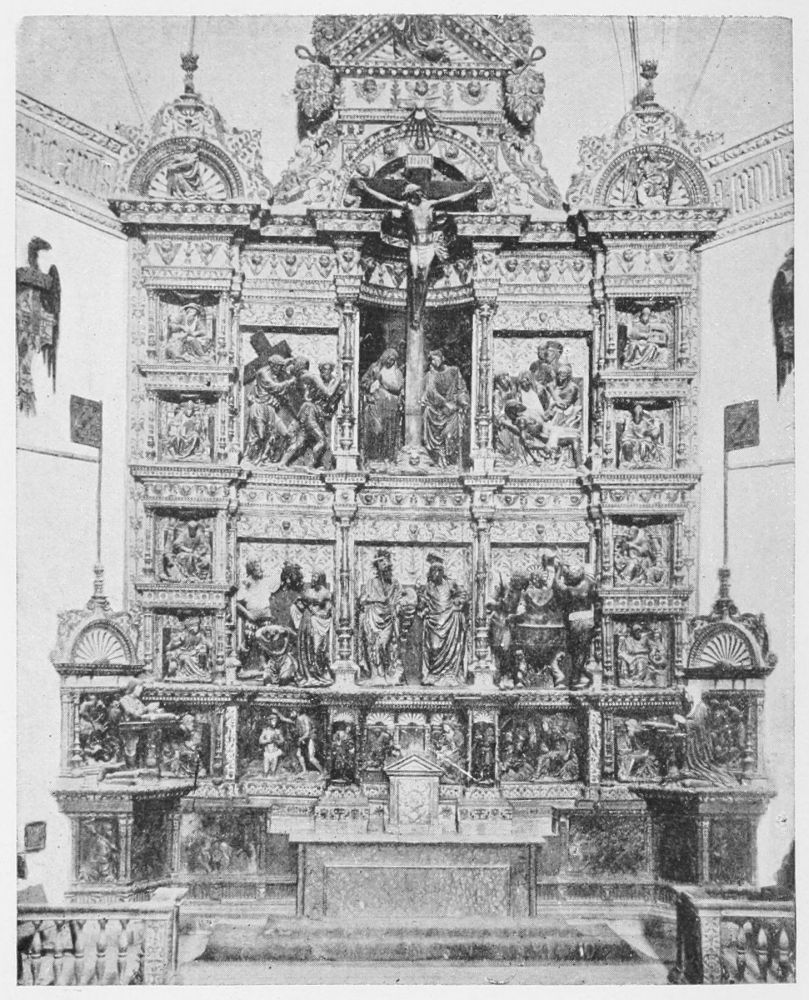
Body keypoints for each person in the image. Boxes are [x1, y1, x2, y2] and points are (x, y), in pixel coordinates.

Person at [353, 177, 485, 327]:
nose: (410, 198)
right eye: (408, 196)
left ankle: (418, 311)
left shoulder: (430, 205)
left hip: (428, 246)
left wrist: (471, 191)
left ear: (418, 194)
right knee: (415, 277)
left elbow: (452, 199)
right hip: (415, 247)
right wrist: (366, 189)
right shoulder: (407, 207)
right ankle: (416, 310)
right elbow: (386, 200)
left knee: (423, 278)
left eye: (412, 195)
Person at [419, 554, 468, 685]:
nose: (436, 573)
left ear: (443, 572)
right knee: (434, 647)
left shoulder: (450, 584)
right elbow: (422, 601)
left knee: (451, 647)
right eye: (434, 570)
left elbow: (462, 594)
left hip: (450, 619)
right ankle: (434, 673)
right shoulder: (428, 587)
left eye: (439, 570)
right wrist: (422, 603)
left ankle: (449, 673)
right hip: (434, 620)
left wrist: (458, 601)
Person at [358, 549, 404, 685]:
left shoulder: (395, 583)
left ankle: (387, 673)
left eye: (387, 563)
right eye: (382, 563)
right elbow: (362, 600)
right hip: (373, 617)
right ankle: (377, 675)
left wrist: (398, 606)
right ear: (377, 567)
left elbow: (400, 598)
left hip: (388, 617)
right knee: (373, 645)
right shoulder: (371, 582)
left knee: (383, 645)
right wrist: (376, 599)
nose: (385, 566)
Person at [243, 354, 297, 465]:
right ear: (272, 365)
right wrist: (290, 381)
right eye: (278, 367)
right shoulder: (263, 373)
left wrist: (289, 361)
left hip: (270, 409)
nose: (280, 370)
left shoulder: (274, 373)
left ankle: (267, 458)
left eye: (281, 367)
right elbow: (274, 387)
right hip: (259, 408)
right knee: (260, 436)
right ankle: (248, 459)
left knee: (283, 434)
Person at [420, 349, 469, 468]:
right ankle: (440, 461)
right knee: (437, 440)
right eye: (432, 359)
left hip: (452, 412)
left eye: (436, 358)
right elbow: (431, 392)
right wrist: (445, 403)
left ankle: (451, 461)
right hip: (436, 411)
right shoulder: (430, 375)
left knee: (449, 435)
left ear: (442, 358)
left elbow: (461, 389)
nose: (434, 361)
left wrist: (462, 400)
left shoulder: (454, 371)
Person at [361, 348, 404, 463]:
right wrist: (372, 383)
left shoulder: (397, 372)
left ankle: (387, 457)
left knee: (389, 432)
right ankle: (373, 456)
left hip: (390, 407)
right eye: (389, 359)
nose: (390, 361)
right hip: (376, 405)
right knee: (376, 430)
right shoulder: (375, 368)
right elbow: (364, 382)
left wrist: (383, 382)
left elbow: (398, 387)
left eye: (393, 360)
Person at [297, 571, 334, 686]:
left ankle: (319, 674)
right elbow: (299, 603)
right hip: (307, 621)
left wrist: (317, 610)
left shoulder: (326, 592)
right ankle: (308, 675)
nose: (313, 578)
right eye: (312, 576)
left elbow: (328, 609)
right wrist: (308, 607)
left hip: (320, 622)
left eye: (315, 576)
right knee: (307, 646)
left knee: (318, 648)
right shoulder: (308, 591)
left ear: (321, 578)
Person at [259, 711, 288, 776]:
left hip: (275, 752)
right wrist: (267, 741)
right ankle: (265, 774)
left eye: (275, 721)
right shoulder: (265, 730)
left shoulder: (277, 731)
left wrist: (276, 741)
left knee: (273, 770)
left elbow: (282, 740)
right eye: (273, 720)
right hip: (267, 752)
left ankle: (272, 774)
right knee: (266, 769)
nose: (274, 722)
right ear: (269, 721)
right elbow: (260, 740)